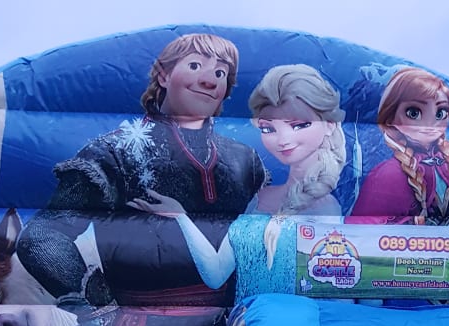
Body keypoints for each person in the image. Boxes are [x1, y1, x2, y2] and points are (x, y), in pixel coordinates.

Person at [17, 32, 266, 308]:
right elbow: (41, 237)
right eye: (195, 65)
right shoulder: (113, 153)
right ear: (163, 76)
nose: (210, 80)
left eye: (220, 73)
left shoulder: (245, 160)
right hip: (139, 324)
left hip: (238, 323)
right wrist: (97, 303)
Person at [129, 64, 346, 297]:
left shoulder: (327, 207)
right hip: (249, 317)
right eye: (268, 129)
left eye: (299, 125)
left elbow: (336, 291)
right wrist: (180, 217)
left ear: (330, 125)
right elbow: (216, 273)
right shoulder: (260, 198)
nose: (283, 140)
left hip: (296, 318)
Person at [349, 66, 449, 304]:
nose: (429, 123)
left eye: (440, 113)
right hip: (401, 296)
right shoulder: (387, 175)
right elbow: (362, 240)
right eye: (414, 112)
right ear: (391, 118)